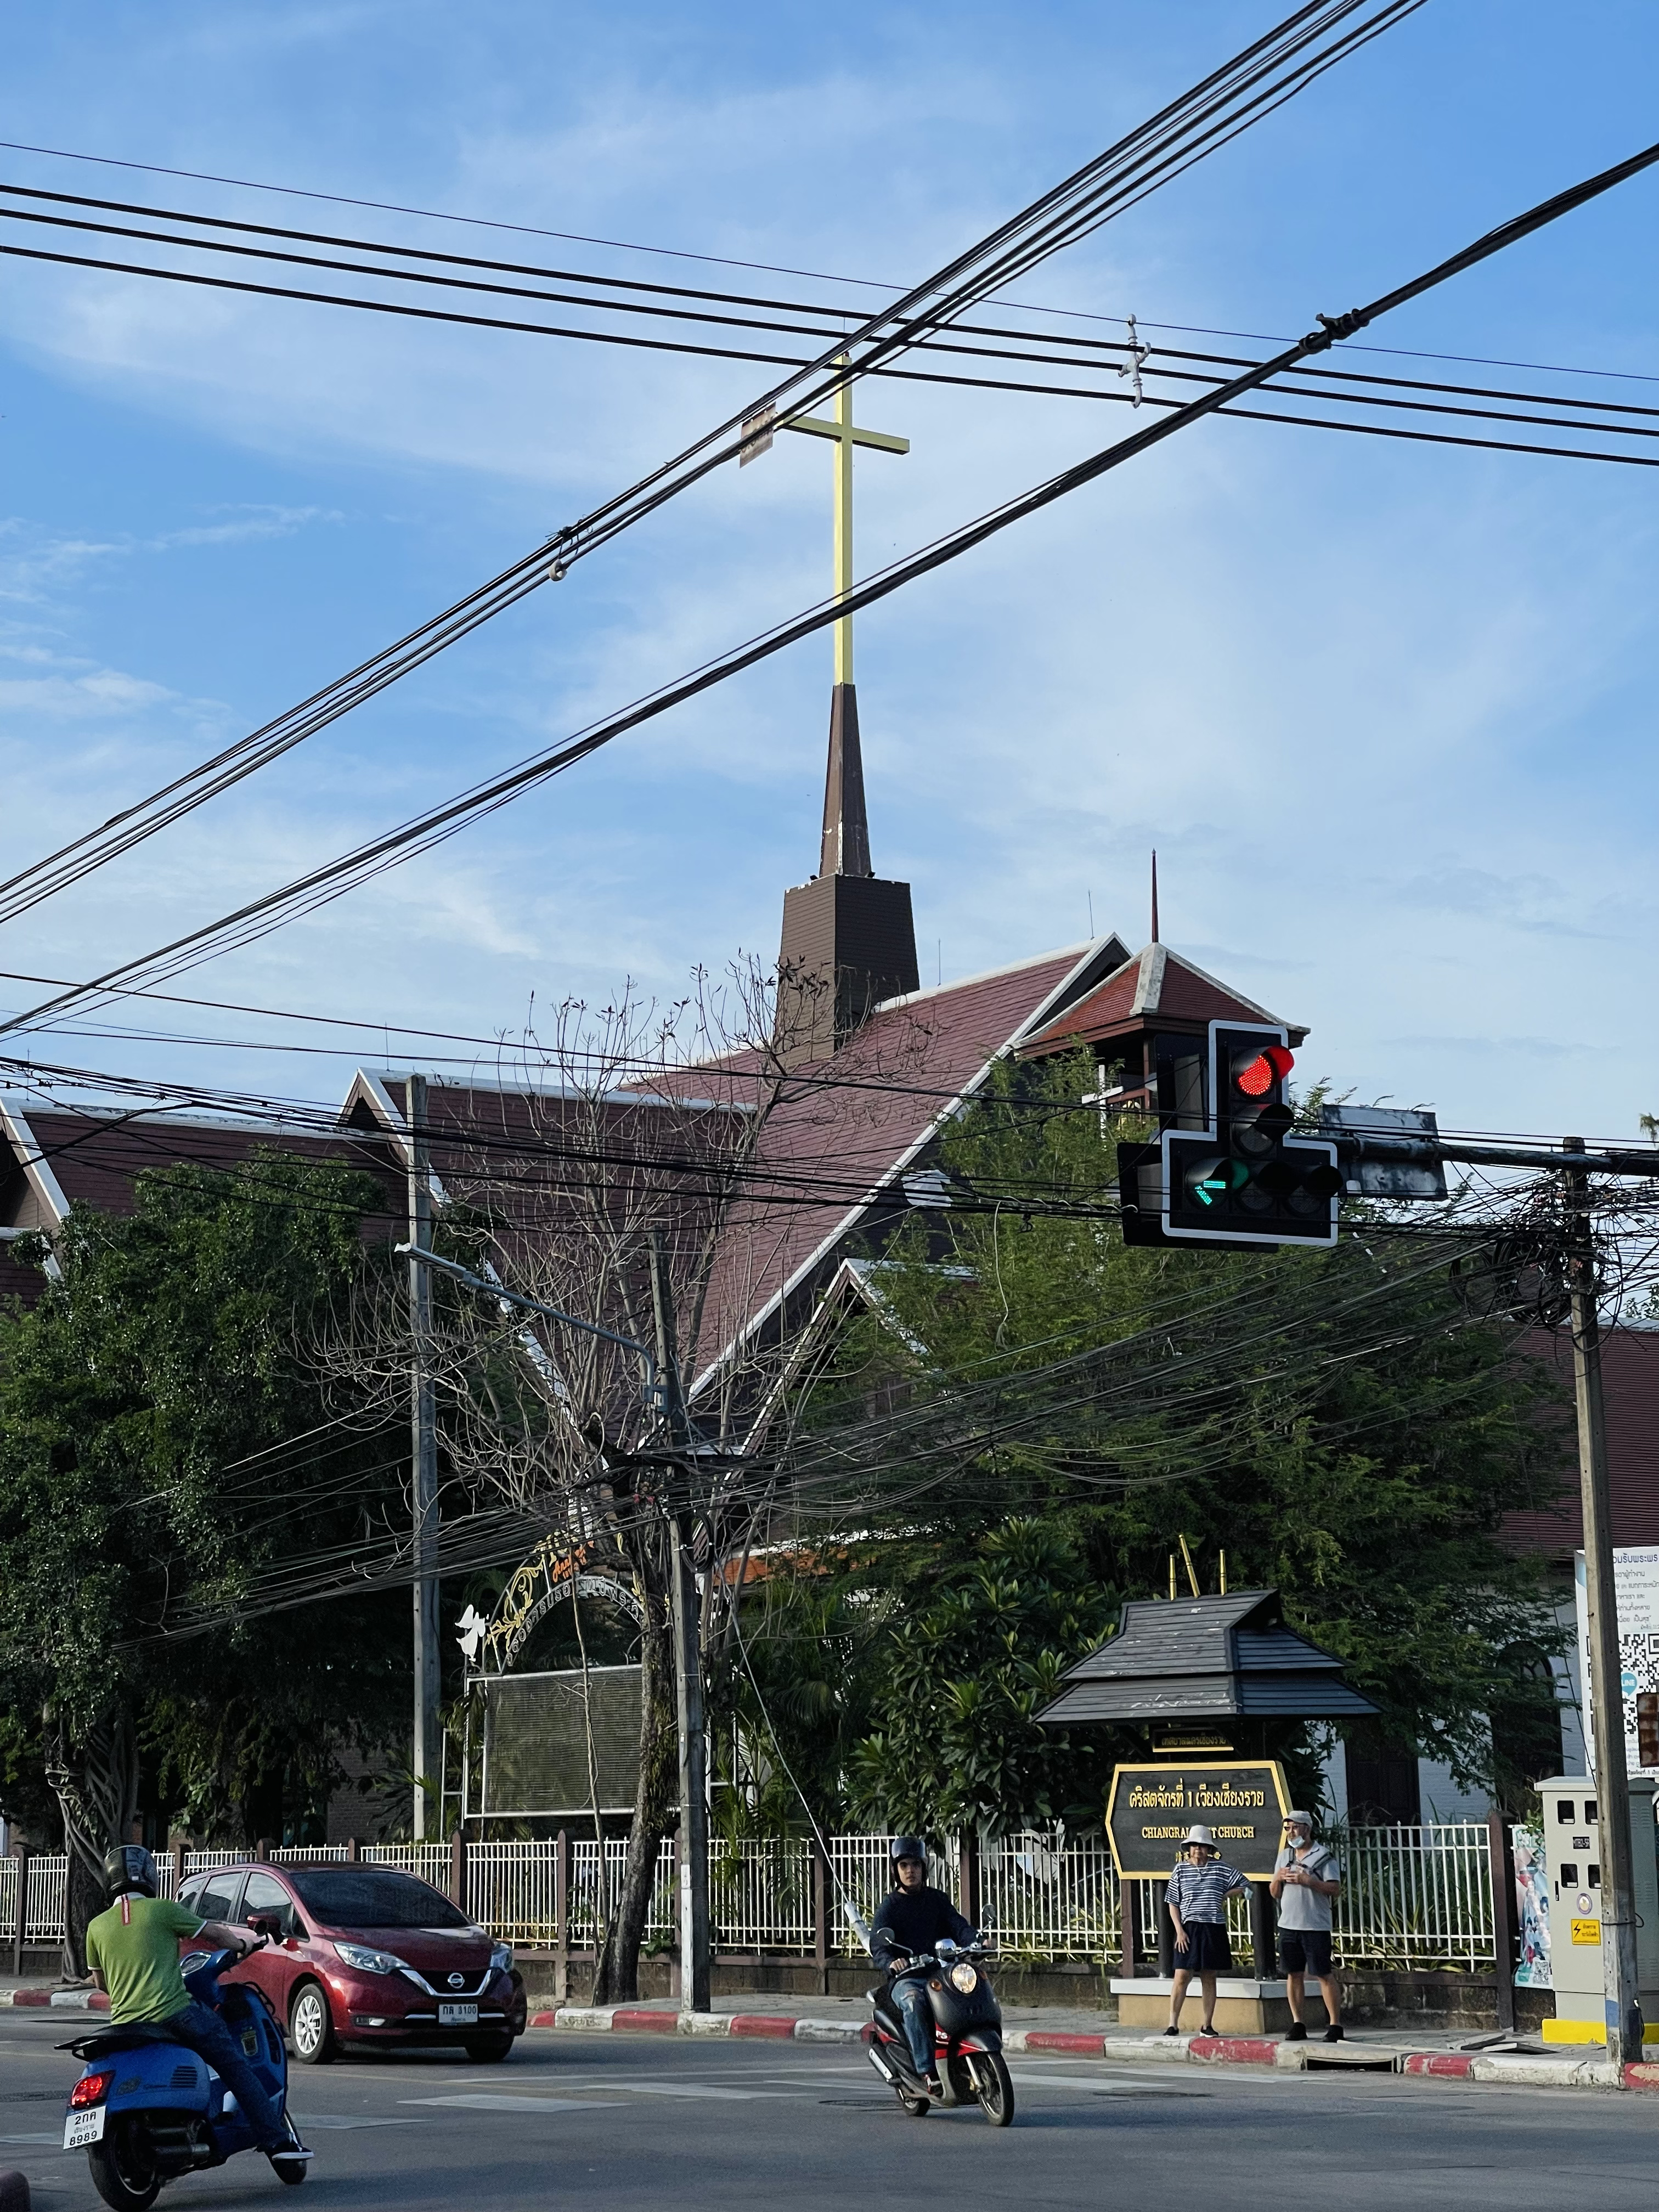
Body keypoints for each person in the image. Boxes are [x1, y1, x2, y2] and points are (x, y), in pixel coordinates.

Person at [83, 1844, 310, 2178]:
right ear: (149, 1875)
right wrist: (243, 1944)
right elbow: (214, 1933)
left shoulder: (96, 1927)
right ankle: (277, 2142)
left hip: (127, 2023)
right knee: (235, 2065)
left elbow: (101, 1982)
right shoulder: (163, 1910)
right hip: (175, 2013)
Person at [868, 1836, 978, 2095]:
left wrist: (976, 1941)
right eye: (904, 1865)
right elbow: (878, 1945)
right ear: (895, 1870)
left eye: (915, 1864)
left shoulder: (937, 1900)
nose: (910, 1871)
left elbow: (959, 1925)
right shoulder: (890, 1906)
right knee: (914, 2002)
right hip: (907, 1979)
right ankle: (927, 2071)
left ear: (923, 1867)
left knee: (969, 1992)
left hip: (941, 1973)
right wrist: (891, 1962)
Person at [1164, 1824, 1249, 2036]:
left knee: (1209, 1976)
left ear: (1209, 1849)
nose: (1198, 1850)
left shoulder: (1221, 1868)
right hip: (1189, 1927)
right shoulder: (1180, 1870)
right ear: (1189, 1848)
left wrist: (1224, 1894)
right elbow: (1173, 1902)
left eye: (1202, 1846)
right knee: (1182, 1975)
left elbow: (1245, 1884)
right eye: (1194, 1845)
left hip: (1213, 1927)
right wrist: (1180, 1930)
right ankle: (1173, 2024)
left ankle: (1207, 2024)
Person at [1270, 1810, 1344, 2042]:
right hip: (1288, 1924)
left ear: (1307, 1828)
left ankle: (1335, 2025)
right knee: (1294, 1974)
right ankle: (1298, 2023)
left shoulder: (1323, 1856)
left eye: (1295, 1827)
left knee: (1323, 1973)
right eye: (1288, 1829)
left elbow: (1335, 1888)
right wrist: (1278, 1879)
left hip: (1315, 1925)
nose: (1291, 1833)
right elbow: (1275, 1894)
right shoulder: (1284, 1856)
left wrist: (1309, 1882)